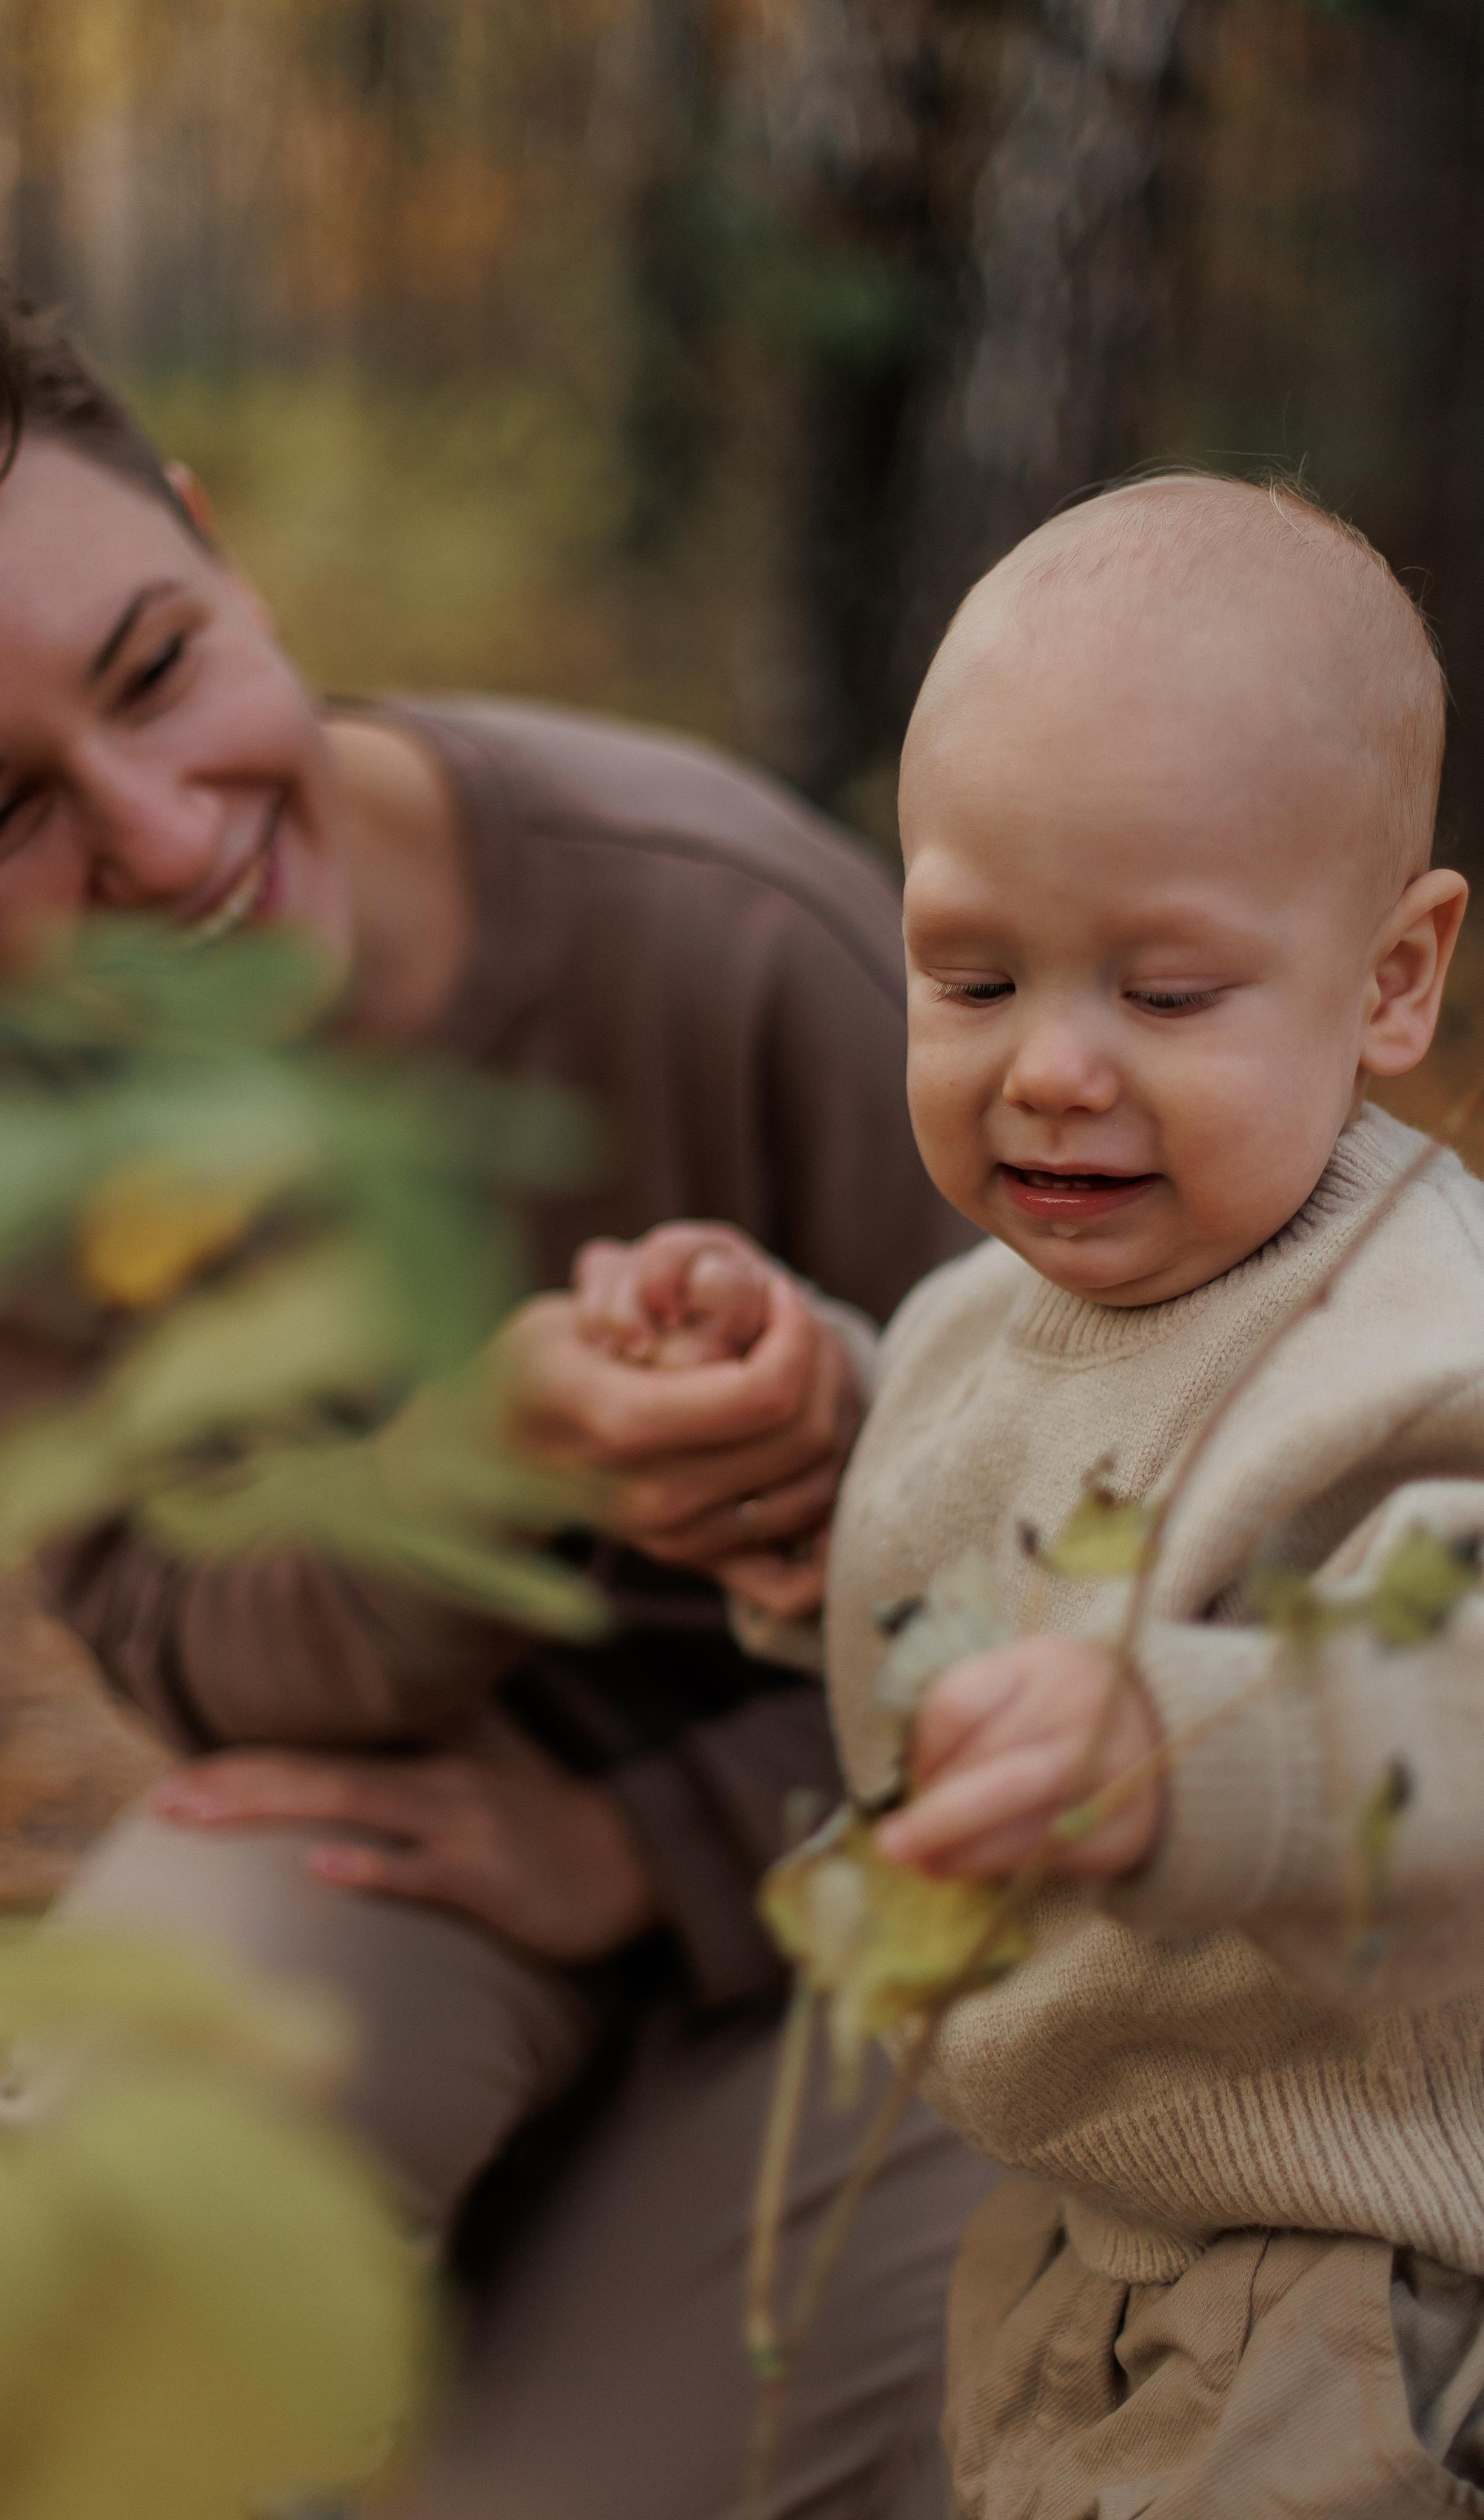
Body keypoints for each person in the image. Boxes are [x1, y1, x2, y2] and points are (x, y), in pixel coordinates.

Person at [0, 230, 994, 2518]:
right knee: (82, 2298)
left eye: (156, 670)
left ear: (215, 542)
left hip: (908, 1914)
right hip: (400, 1856)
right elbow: (166, 1617)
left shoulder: (746, 941)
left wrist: (640, 1850)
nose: (161, 838)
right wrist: (467, 1469)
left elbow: (1186, 1622)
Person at [635, 471, 1484, 2517]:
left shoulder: (1423, 1339)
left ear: (1392, 978)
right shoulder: (987, 1314)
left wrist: (1186, 1746)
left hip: (1367, 2287)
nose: (1054, 1069)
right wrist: (803, 1427)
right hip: (1073, 2224)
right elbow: (996, 1490)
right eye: (975, 976)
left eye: (1165, 993)